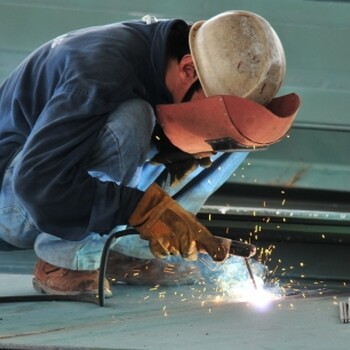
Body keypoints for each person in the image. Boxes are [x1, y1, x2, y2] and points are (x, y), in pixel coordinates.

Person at [0, 10, 299, 296]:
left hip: (48, 188)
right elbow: (36, 186)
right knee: (134, 119)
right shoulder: (100, 73)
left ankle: (121, 249)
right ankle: (64, 259)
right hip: (17, 198)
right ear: (187, 69)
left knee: (234, 135)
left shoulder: (196, 57)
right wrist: (142, 209)